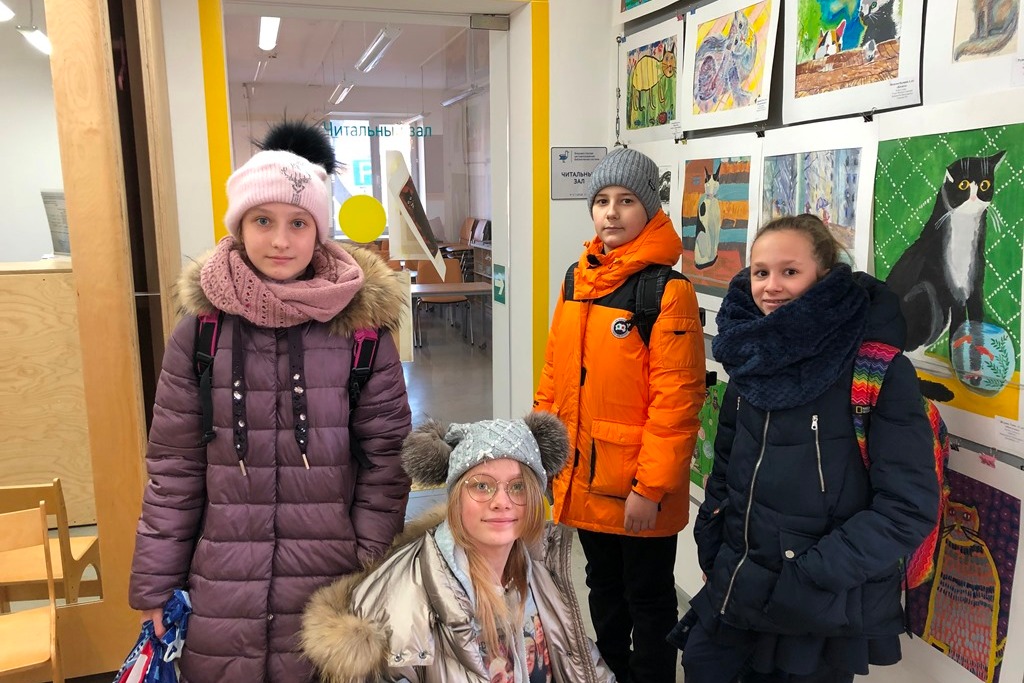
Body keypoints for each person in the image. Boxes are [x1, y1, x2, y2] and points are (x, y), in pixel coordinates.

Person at [128, 121, 412, 682]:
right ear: (238, 226)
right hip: (221, 584)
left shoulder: (361, 334)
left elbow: (387, 461)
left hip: (330, 584)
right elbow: (174, 467)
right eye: (262, 220)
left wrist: (367, 560)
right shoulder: (201, 333)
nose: (280, 240)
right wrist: (158, 582)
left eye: (298, 223)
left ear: (319, 232)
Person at [675, 214, 940, 683]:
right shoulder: (750, 355)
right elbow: (727, 467)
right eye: (761, 272)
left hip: (816, 606)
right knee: (701, 664)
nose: (771, 286)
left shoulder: (874, 369)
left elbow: (908, 507)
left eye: (790, 271)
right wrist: (713, 546)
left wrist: (811, 575)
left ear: (824, 275)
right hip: (737, 582)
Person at [534, 146, 706, 682]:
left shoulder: (666, 290)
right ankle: (606, 672)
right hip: (582, 476)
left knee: (648, 599)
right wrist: (541, 451)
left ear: (650, 208)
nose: (611, 212)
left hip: (636, 488)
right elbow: (553, 375)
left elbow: (677, 402)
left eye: (626, 200)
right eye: (602, 200)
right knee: (602, 588)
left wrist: (649, 489)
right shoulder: (575, 280)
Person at [301, 413, 616, 683]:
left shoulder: (542, 573)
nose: (502, 502)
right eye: (482, 485)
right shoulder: (401, 602)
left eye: (518, 486)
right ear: (456, 498)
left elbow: (584, 665)